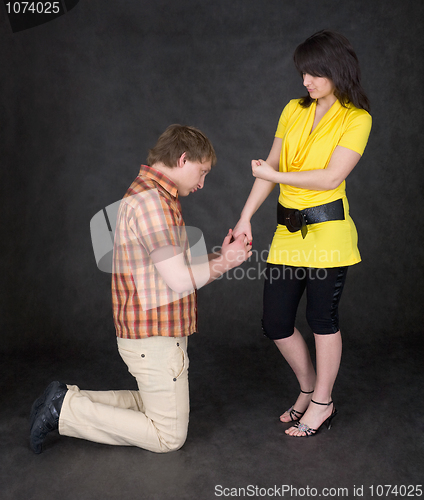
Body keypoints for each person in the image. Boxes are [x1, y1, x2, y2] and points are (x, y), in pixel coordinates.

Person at [30, 124, 252, 453]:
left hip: (152, 334)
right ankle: (65, 410)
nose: (203, 183)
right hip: (154, 338)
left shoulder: (153, 193)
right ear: (183, 158)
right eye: (202, 171)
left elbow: (174, 267)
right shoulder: (153, 203)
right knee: (168, 437)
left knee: (152, 406)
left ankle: (62, 398)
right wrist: (228, 262)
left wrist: (220, 255)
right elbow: (178, 280)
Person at [233, 30, 372, 437]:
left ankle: (323, 402)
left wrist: (273, 174)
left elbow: (331, 177)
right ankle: (308, 390)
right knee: (275, 321)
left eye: (314, 73)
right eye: (303, 73)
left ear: (337, 70)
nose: (306, 81)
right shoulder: (292, 109)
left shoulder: (357, 118)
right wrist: (244, 217)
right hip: (288, 233)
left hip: (329, 233)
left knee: (321, 319)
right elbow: (270, 166)